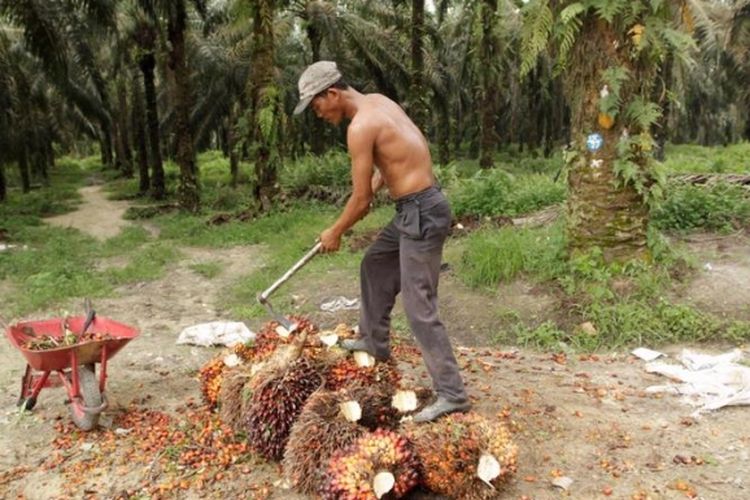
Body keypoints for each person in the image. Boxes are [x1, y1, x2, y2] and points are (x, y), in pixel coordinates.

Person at [294, 60, 470, 422]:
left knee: (419, 306)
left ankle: (452, 394)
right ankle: (373, 341)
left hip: (421, 210)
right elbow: (399, 154)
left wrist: (336, 231)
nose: (318, 114)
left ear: (332, 93)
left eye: (317, 106)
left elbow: (360, 201)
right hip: (416, 207)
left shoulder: (359, 127)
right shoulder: (377, 101)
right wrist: (382, 181)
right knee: (375, 264)